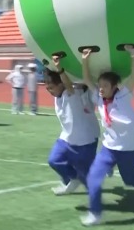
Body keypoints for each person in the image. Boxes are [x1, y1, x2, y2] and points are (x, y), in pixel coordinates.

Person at [80, 45, 134, 226]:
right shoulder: (98, 97)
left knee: (130, 178)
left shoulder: (124, 95)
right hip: (109, 148)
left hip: (129, 148)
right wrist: (85, 59)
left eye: (105, 86)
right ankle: (95, 213)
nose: (101, 88)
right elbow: (87, 79)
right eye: (100, 85)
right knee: (93, 177)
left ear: (114, 86)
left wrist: (133, 55)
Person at [43, 56, 100, 196]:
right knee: (54, 160)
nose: (49, 91)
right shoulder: (59, 97)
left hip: (86, 141)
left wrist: (59, 68)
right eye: (47, 88)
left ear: (61, 84)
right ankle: (72, 179)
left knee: (89, 179)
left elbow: (69, 85)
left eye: (51, 87)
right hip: (67, 138)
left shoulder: (73, 93)